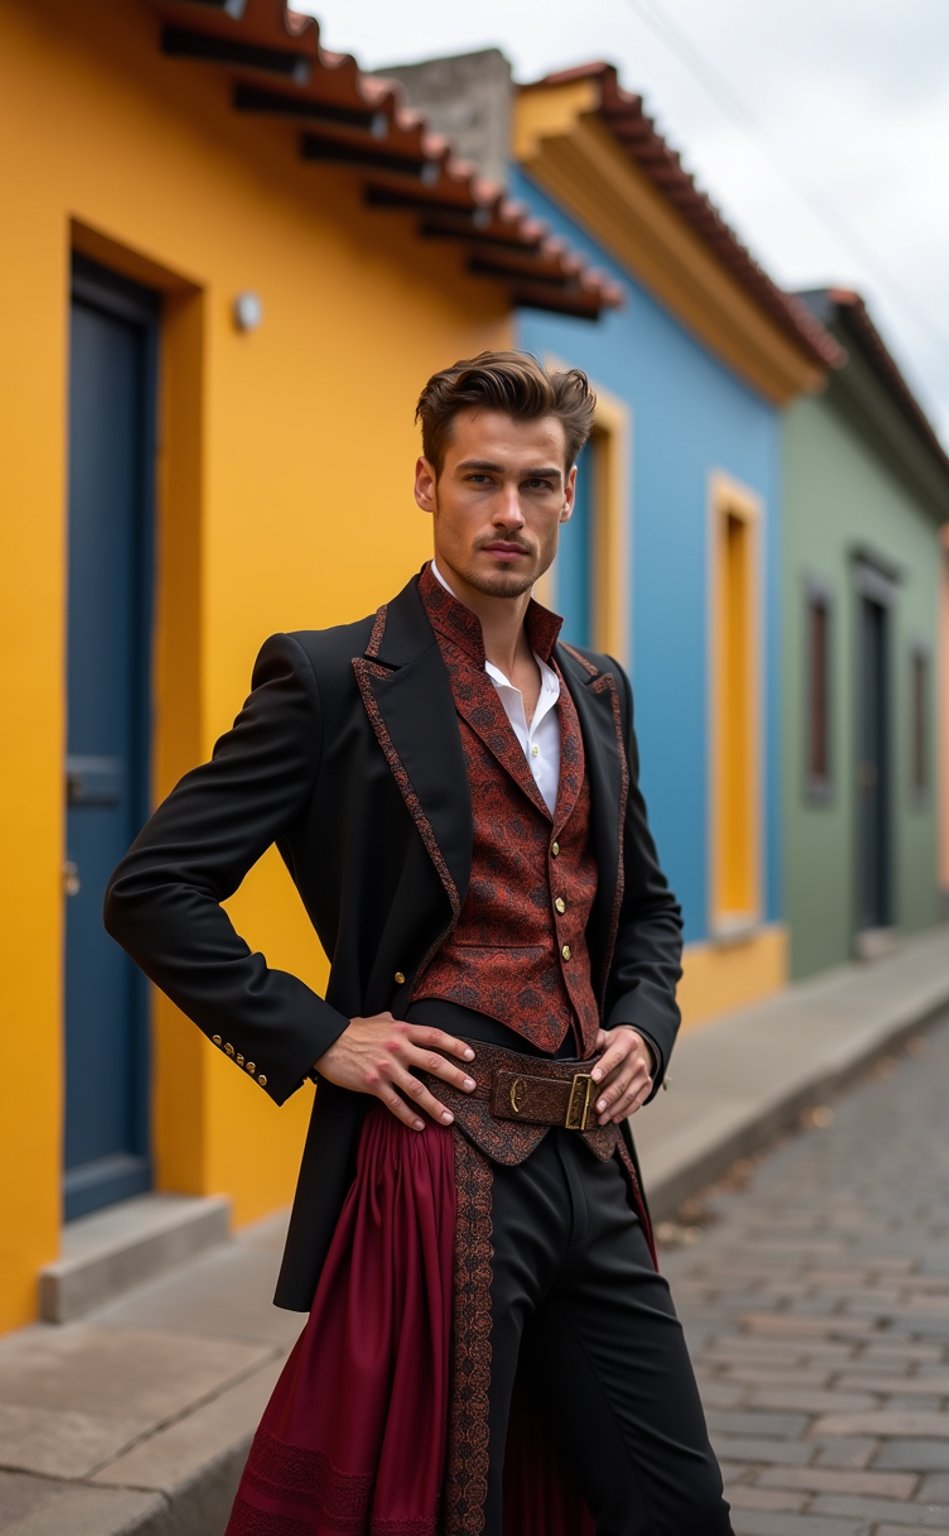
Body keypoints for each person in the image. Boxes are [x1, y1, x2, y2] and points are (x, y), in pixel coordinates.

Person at [104, 351, 733, 1535]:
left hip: (593, 1159)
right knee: (447, 1506)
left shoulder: (597, 689)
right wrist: (320, 1034)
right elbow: (155, 887)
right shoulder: (334, 677)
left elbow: (642, 908)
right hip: (435, 1162)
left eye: (536, 483)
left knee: (675, 1502)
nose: (508, 512)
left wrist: (647, 1023)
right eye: (480, 478)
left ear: (568, 495)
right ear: (426, 484)